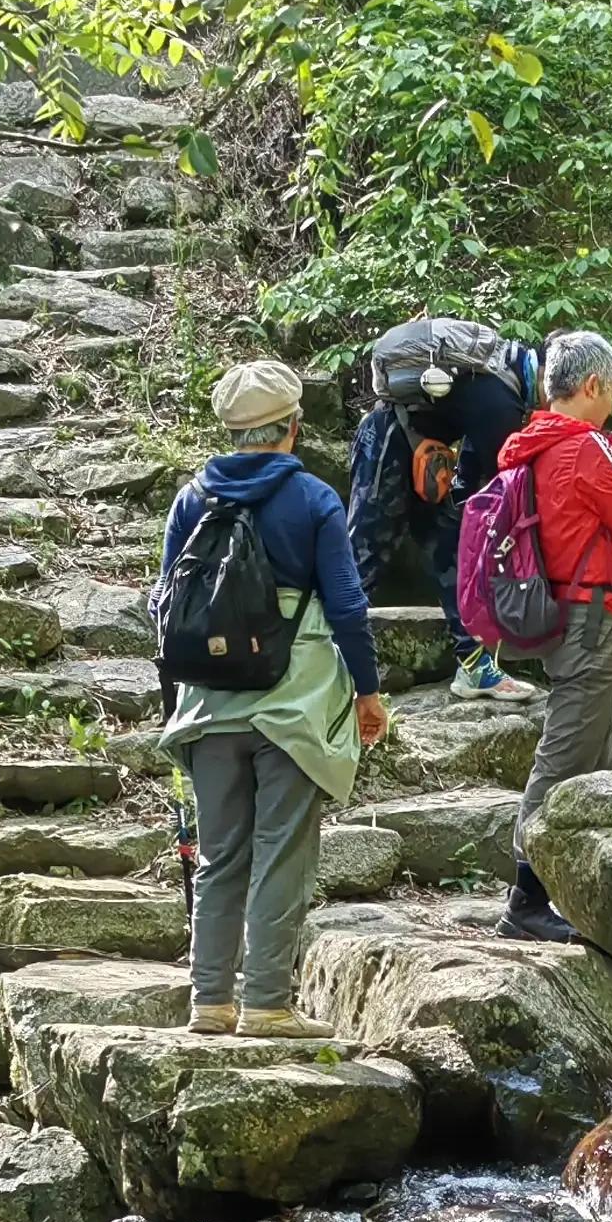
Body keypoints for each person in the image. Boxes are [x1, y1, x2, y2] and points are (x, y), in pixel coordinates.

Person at [157, 359, 390, 1033]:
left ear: (234, 432)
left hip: (207, 703)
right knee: (282, 852)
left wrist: (179, 694)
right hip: (291, 703)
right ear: (291, 427)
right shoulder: (314, 499)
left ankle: (209, 1002)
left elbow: (165, 604)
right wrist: (367, 691)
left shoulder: (192, 496)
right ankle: (264, 1005)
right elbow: (346, 604)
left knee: (220, 855)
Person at [493, 328, 612, 942]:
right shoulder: (587, 447)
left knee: (592, 756)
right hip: (590, 619)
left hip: (558, 610)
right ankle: (525, 898)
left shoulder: (536, 446)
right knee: (567, 755)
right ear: (593, 384)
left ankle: (570, 890)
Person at [345, 318, 539, 688]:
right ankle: (320, 661)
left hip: (419, 454)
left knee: (449, 549)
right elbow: (500, 475)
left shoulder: (493, 382)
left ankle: (474, 667)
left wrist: (460, 499)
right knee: (363, 560)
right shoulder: (501, 401)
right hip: (387, 446)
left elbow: (472, 466)